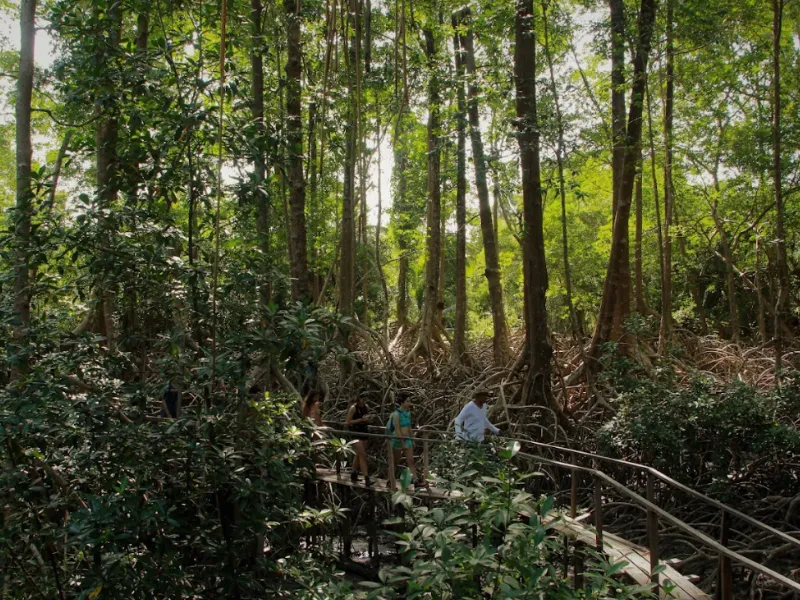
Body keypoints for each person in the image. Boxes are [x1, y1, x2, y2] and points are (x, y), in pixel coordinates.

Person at [388, 391, 423, 486]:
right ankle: (390, 480)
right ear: (402, 402)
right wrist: (402, 443)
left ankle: (416, 480)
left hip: (407, 439)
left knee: (411, 460)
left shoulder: (408, 413)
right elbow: (398, 430)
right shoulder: (396, 414)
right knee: (396, 461)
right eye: (407, 401)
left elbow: (409, 428)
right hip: (398, 440)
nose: (409, 403)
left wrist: (412, 439)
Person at [346, 391, 372, 486]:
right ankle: (366, 478)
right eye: (363, 399)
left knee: (359, 454)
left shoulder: (366, 407)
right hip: (355, 433)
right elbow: (348, 422)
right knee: (362, 455)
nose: (365, 401)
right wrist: (360, 420)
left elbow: (366, 418)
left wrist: (367, 419)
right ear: (359, 398)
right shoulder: (353, 408)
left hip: (364, 431)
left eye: (366, 399)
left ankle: (353, 473)